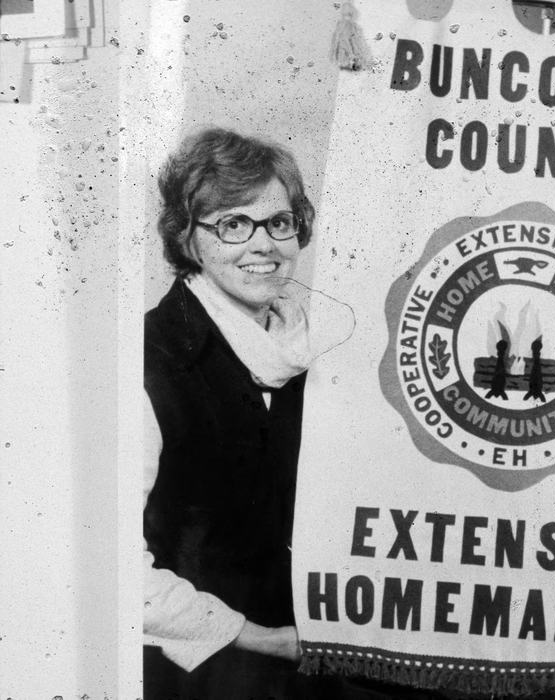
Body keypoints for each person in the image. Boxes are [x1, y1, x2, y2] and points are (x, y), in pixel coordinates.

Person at [142, 127, 355, 699]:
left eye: (280, 223)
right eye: (234, 225)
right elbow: (118, 569)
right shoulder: (150, 359)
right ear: (188, 239)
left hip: (312, 666)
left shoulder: (325, 348)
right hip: (199, 676)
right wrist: (258, 638)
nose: (264, 246)